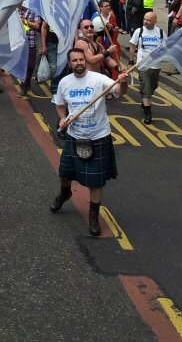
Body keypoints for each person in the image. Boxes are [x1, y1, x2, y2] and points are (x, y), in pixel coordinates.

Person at [51, 49, 128, 236]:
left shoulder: (98, 79)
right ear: (69, 63)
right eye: (75, 60)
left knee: (96, 181)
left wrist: (123, 82)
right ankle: (65, 193)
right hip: (75, 135)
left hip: (98, 136)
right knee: (65, 172)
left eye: (81, 59)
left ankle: (93, 216)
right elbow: (59, 105)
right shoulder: (65, 83)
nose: (79, 62)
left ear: (85, 60)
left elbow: (118, 91)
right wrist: (62, 119)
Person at [129, 12, 164, 125]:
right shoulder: (139, 32)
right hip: (143, 66)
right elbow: (133, 46)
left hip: (156, 66)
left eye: (149, 20)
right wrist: (131, 61)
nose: (146, 22)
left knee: (152, 86)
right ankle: (148, 113)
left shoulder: (160, 33)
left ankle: (145, 101)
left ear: (155, 21)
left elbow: (167, 46)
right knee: (147, 88)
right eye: (145, 19)